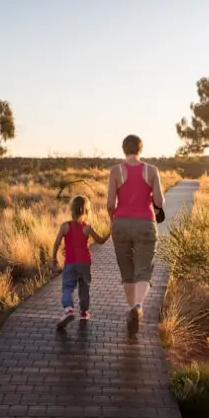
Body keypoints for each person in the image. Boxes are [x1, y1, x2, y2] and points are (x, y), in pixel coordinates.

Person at [107, 134, 165, 334]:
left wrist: (112, 219)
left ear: (124, 149)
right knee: (143, 270)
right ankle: (138, 306)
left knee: (127, 271)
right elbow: (159, 201)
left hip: (121, 223)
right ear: (141, 149)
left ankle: (131, 308)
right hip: (145, 224)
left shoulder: (116, 171)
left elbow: (109, 204)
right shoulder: (151, 170)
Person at [51, 195, 110, 328]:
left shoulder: (65, 226)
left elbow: (56, 243)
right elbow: (100, 241)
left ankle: (68, 309)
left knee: (67, 287)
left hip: (71, 262)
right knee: (84, 287)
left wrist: (54, 258)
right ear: (86, 211)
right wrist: (110, 232)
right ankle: (84, 312)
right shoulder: (87, 228)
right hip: (85, 263)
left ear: (72, 209)